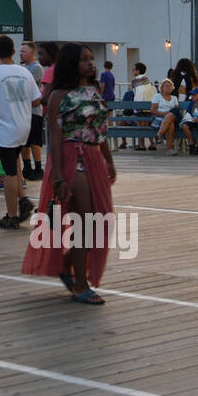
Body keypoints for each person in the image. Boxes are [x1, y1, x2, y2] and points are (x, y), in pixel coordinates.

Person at [22, 44, 117, 305]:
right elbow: (53, 136)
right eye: (83, 60)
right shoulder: (58, 95)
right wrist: (58, 179)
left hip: (94, 157)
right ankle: (80, 284)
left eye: (90, 59)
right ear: (70, 65)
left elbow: (100, 129)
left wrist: (109, 161)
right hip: (70, 158)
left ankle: (66, 264)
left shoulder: (94, 90)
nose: (90, 63)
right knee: (84, 219)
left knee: (100, 218)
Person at [0, 35, 41, 230]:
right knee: (14, 165)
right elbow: (37, 100)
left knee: (7, 174)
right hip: (23, 126)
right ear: (14, 51)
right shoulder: (25, 72)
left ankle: (12, 215)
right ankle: (23, 201)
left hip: (3, 129)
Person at [19, 42, 46, 182]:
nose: (21, 54)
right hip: (24, 109)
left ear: (31, 53)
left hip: (34, 110)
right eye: (20, 51)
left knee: (35, 141)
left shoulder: (36, 68)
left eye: (24, 51)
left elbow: (24, 84)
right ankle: (27, 166)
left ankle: (38, 167)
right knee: (24, 141)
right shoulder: (23, 67)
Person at [150, 79, 178, 154]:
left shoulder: (174, 98)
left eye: (170, 86)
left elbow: (176, 111)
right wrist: (166, 114)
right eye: (166, 86)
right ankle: (170, 149)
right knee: (170, 124)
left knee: (170, 118)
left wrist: (168, 115)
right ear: (161, 88)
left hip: (171, 118)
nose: (169, 87)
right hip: (158, 118)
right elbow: (153, 111)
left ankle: (159, 134)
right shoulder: (157, 96)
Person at [180, 87, 198, 154]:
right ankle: (191, 144)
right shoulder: (191, 104)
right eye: (192, 95)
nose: (192, 97)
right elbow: (188, 112)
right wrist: (189, 118)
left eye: (194, 95)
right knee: (185, 126)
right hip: (193, 120)